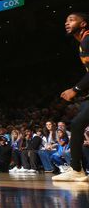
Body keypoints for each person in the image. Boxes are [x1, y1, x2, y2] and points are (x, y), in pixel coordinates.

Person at [53, 12, 89, 182]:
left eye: (72, 20)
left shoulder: (88, 40)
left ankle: (77, 169)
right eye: (66, 20)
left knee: (77, 124)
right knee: (77, 124)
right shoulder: (83, 42)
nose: (67, 23)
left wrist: (75, 89)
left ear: (83, 24)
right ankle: (76, 169)